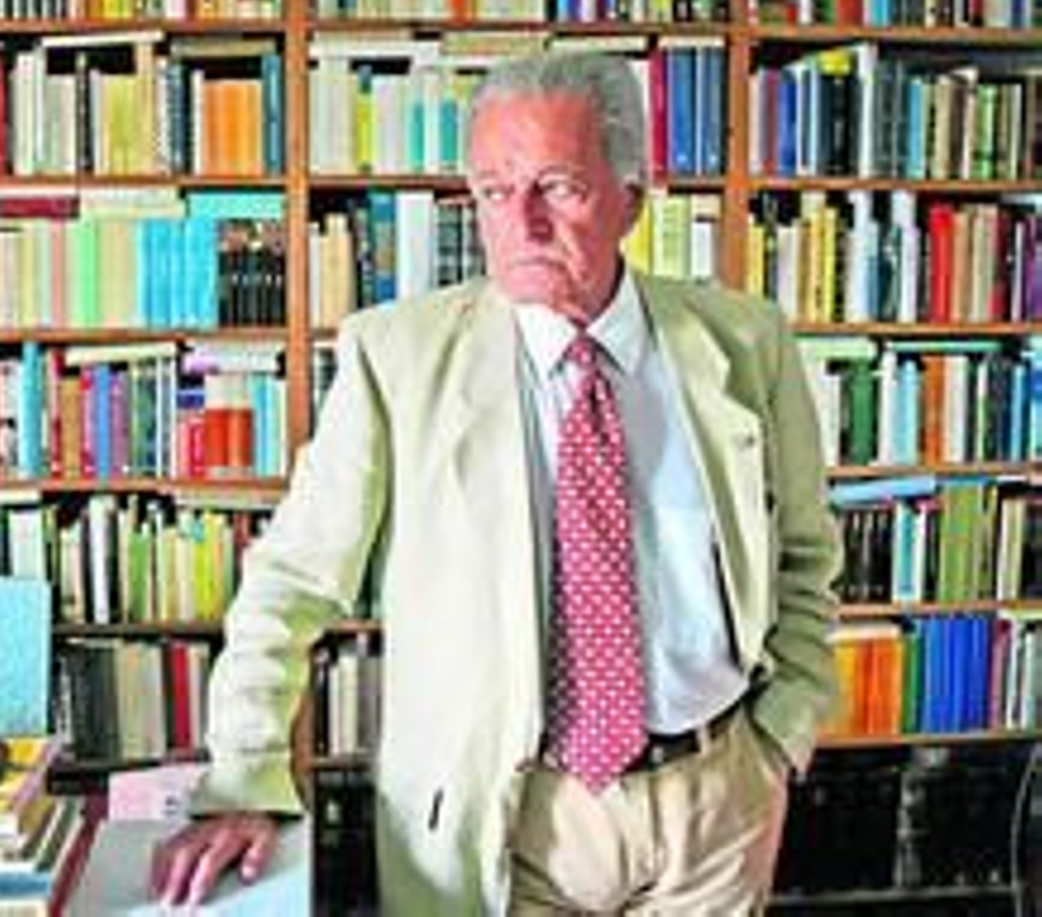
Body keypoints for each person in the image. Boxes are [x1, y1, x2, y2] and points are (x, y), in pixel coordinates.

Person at [147, 51, 841, 914]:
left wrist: (780, 741)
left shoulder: (744, 342)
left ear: (634, 196)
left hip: (717, 797)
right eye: (492, 190)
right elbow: (290, 584)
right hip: (503, 814)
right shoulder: (396, 359)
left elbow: (807, 559)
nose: (523, 223)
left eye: (558, 186)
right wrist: (245, 777)